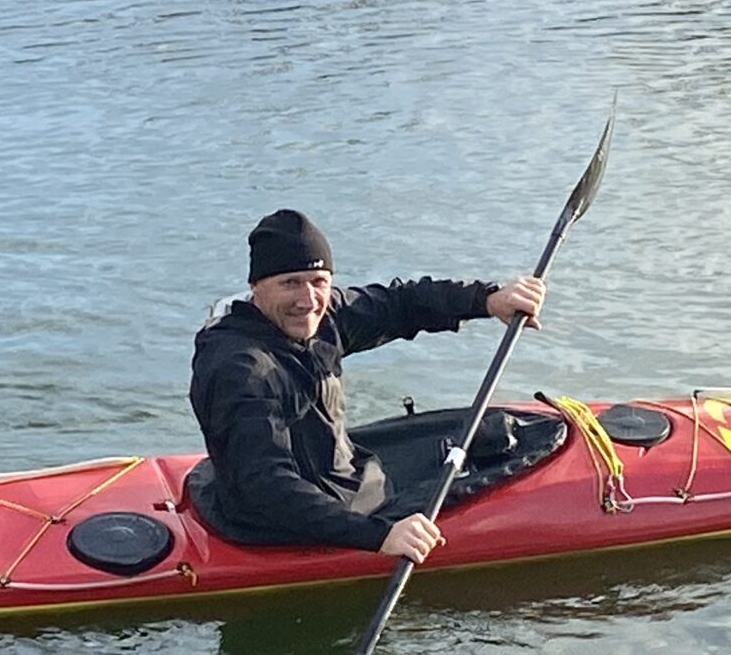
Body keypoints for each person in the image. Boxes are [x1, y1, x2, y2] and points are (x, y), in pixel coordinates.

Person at [189, 209, 545, 564]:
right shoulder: (242, 370)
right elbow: (267, 488)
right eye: (290, 283)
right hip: (274, 521)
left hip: (328, 473)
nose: (307, 300)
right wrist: (380, 535)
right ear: (256, 287)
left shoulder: (322, 316)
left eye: (318, 281)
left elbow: (400, 304)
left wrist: (487, 300)